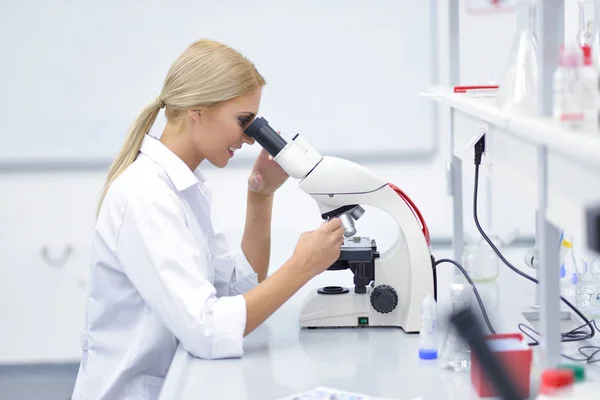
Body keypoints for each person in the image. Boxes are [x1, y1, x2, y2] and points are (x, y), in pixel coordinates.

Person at [71, 39, 345, 399]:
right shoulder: (146, 195)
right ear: (197, 110)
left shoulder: (184, 188)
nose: (249, 138)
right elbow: (209, 331)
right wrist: (302, 267)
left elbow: (241, 291)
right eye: (244, 121)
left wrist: (260, 196)